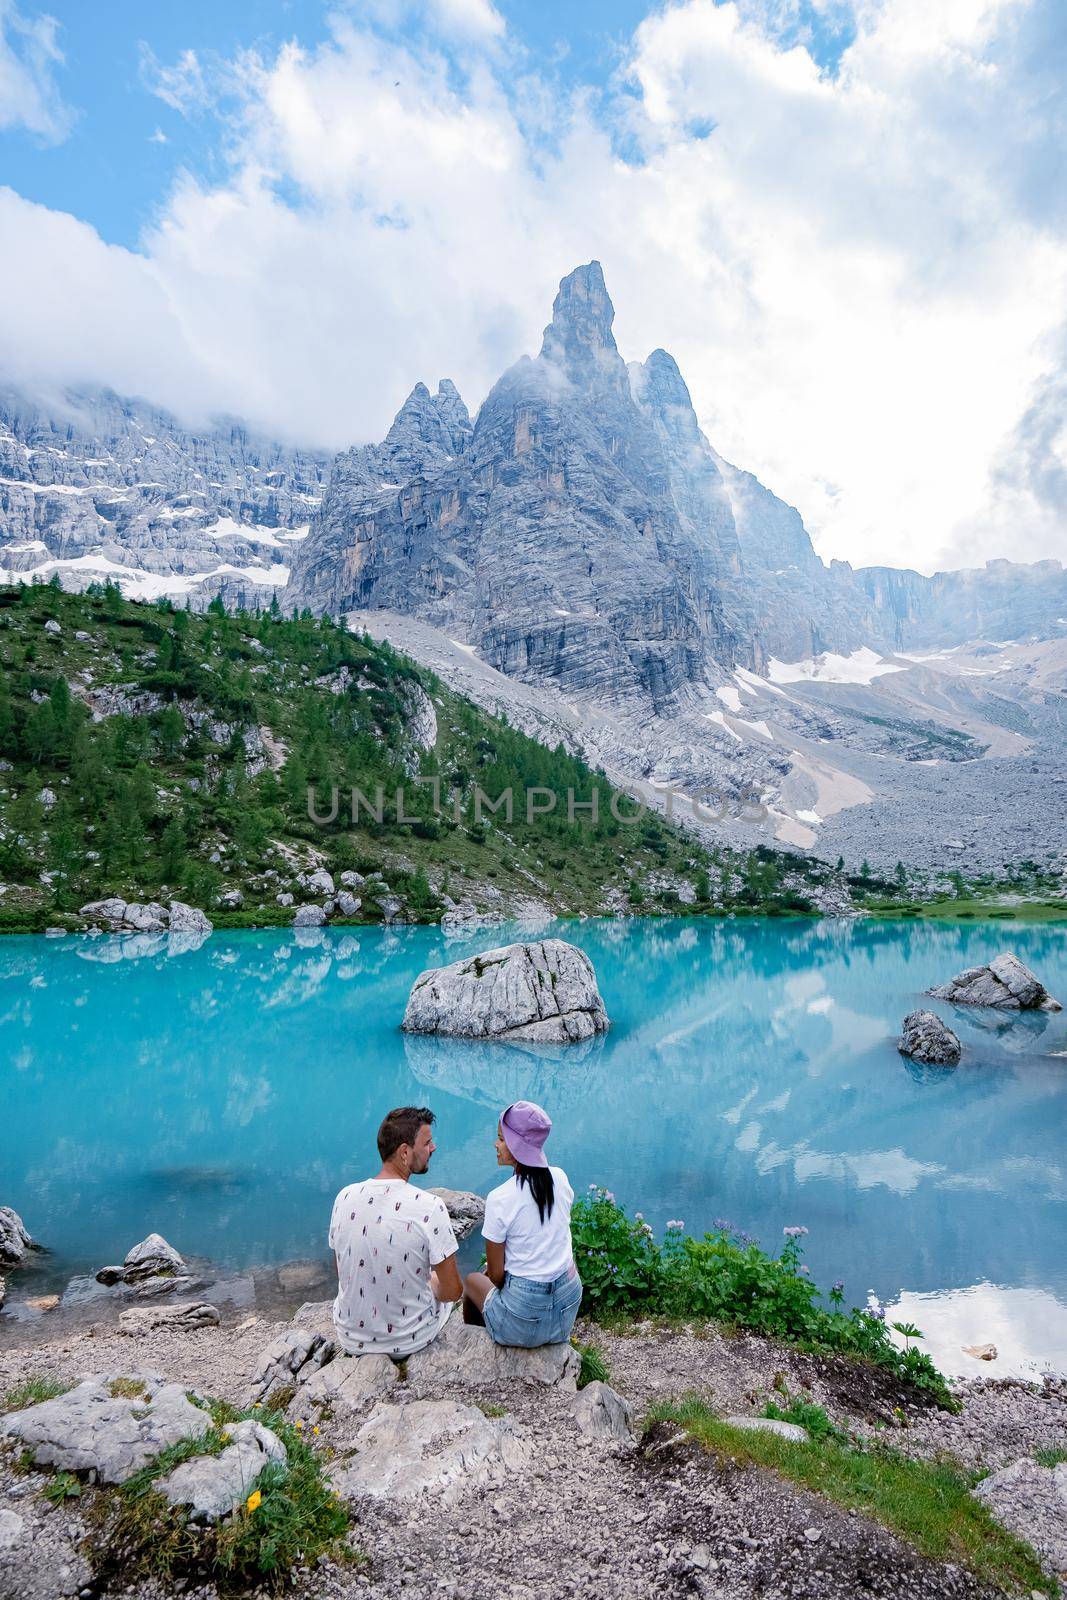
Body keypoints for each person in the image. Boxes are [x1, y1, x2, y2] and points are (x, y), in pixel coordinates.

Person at [328, 1105, 463, 1358]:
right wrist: (432, 1282)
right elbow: (453, 1291)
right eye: (427, 1142)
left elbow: (342, 1273)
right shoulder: (430, 1207)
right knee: (437, 1283)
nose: (432, 1148)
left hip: (351, 1338)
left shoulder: (344, 1197)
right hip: (409, 1340)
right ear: (404, 1152)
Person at [463, 1100, 582, 1347]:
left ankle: (476, 1345)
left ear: (516, 1144)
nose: (496, 1145)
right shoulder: (559, 1178)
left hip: (523, 1323)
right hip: (566, 1309)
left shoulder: (500, 1198)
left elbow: (496, 1276)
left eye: (502, 1139)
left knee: (474, 1280)